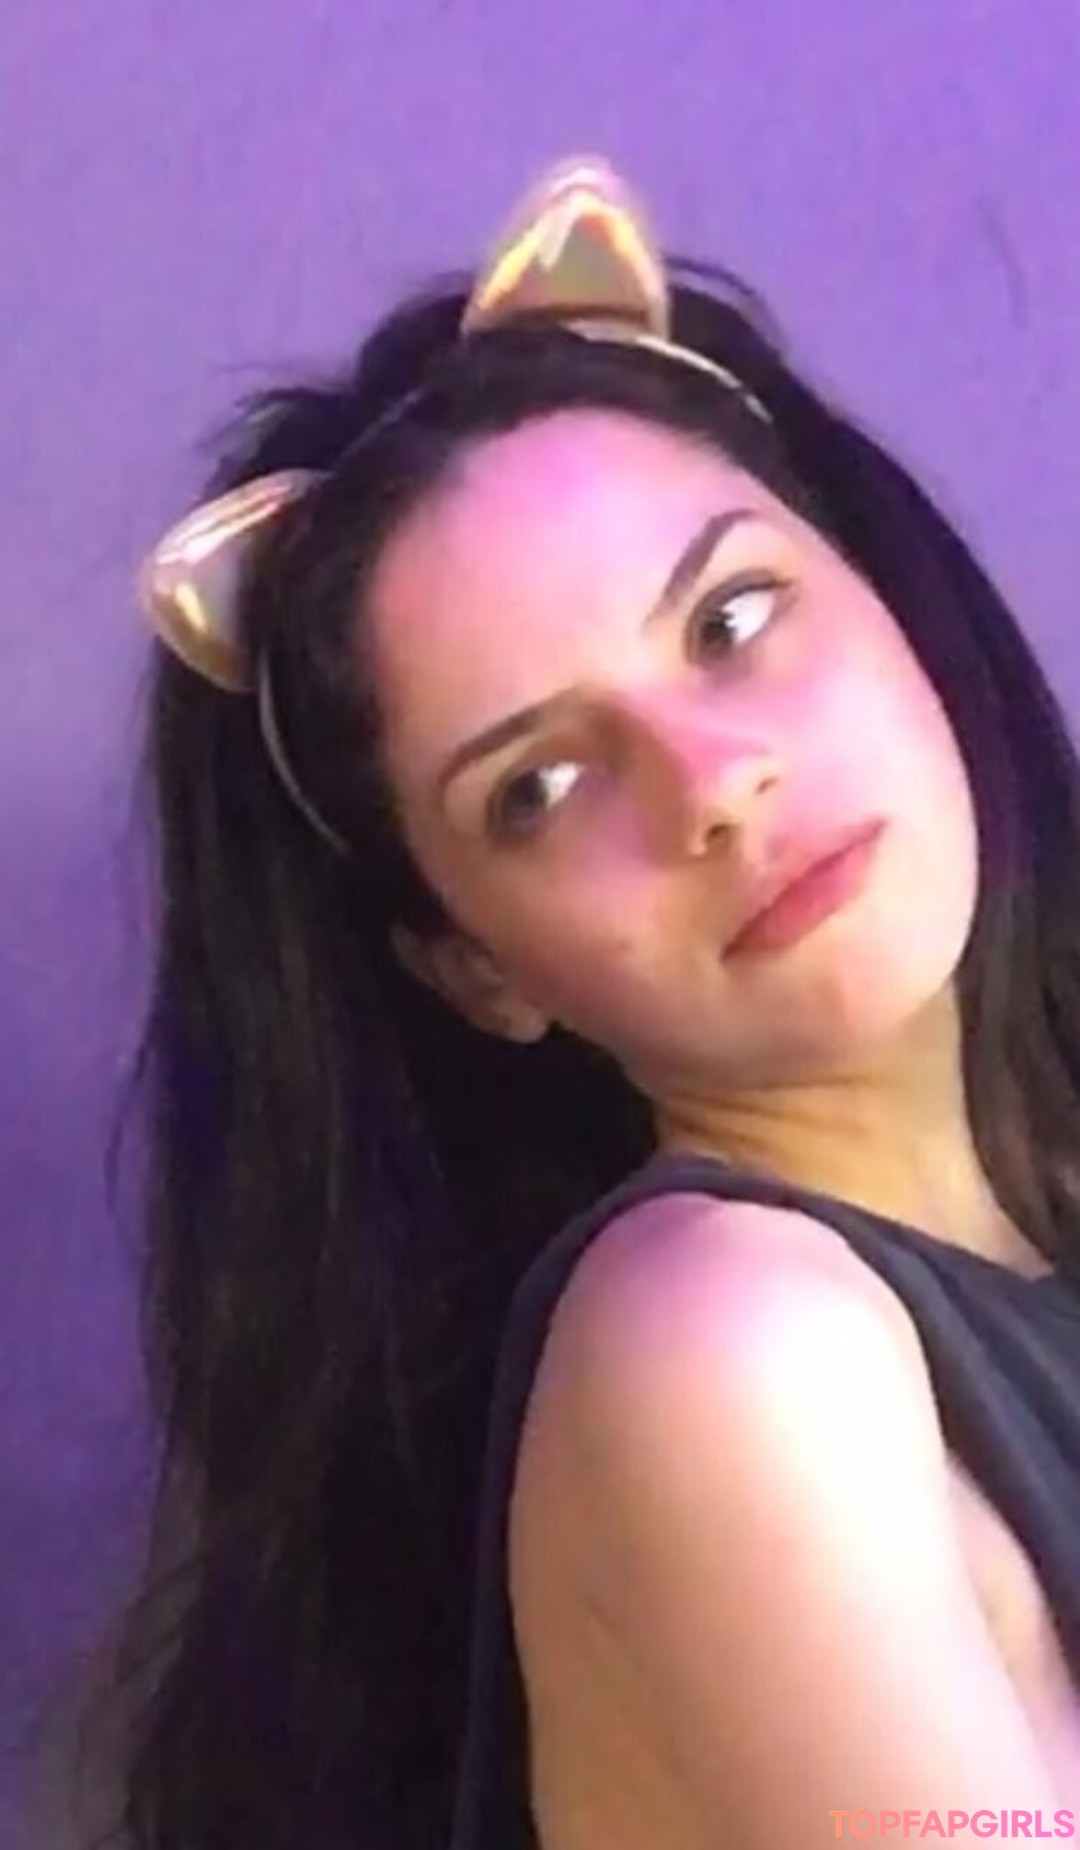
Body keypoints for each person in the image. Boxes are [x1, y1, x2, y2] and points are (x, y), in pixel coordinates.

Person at [103, 157, 1080, 1848]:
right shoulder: (732, 1344)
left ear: (883, 592)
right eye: (540, 787)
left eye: (733, 617)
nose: (713, 783)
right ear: (473, 963)